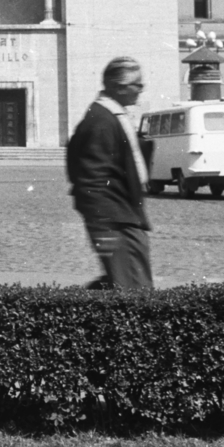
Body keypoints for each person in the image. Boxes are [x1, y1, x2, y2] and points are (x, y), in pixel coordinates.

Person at [65, 56, 153, 290]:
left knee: (127, 281)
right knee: (132, 286)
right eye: (137, 85)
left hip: (122, 215)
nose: (141, 90)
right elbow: (90, 177)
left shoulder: (110, 115)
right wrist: (103, 224)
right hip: (113, 221)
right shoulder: (101, 121)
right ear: (118, 87)